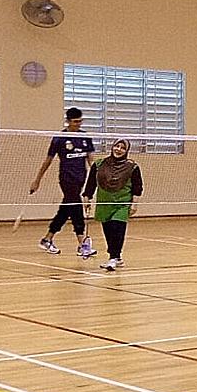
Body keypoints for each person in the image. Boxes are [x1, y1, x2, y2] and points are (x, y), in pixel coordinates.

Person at [30, 107, 96, 259]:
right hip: (66, 179)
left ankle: (47, 239)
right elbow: (48, 160)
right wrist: (37, 180)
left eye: (80, 121)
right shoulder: (59, 138)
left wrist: (95, 179)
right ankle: (82, 244)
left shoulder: (85, 137)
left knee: (66, 209)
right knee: (76, 207)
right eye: (75, 122)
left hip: (81, 179)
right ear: (68, 121)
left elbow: (91, 161)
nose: (78, 124)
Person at [82, 139, 143, 271]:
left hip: (122, 203)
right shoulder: (99, 164)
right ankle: (116, 257)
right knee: (108, 231)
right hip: (104, 203)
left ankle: (113, 258)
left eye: (122, 148)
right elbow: (91, 183)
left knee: (117, 228)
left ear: (126, 151)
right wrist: (87, 198)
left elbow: (138, 187)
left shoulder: (132, 167)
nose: (119, 149)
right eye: (117, 146)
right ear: (112, 147)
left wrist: (134, 204)